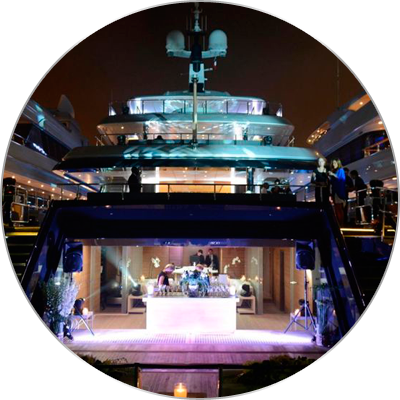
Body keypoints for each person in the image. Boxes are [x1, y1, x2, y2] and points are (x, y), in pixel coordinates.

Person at [328, 158, 347, 225]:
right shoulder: (335, 171)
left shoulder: (340, 170)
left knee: (339, 208)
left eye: (335, 163)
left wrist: (332, 174)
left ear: (338, 163)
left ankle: (341, 223)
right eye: (333, 163)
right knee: (336, 208)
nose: (334, 164)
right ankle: (339, 223)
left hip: (339, 192)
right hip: (335, 192)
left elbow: (340, 178)